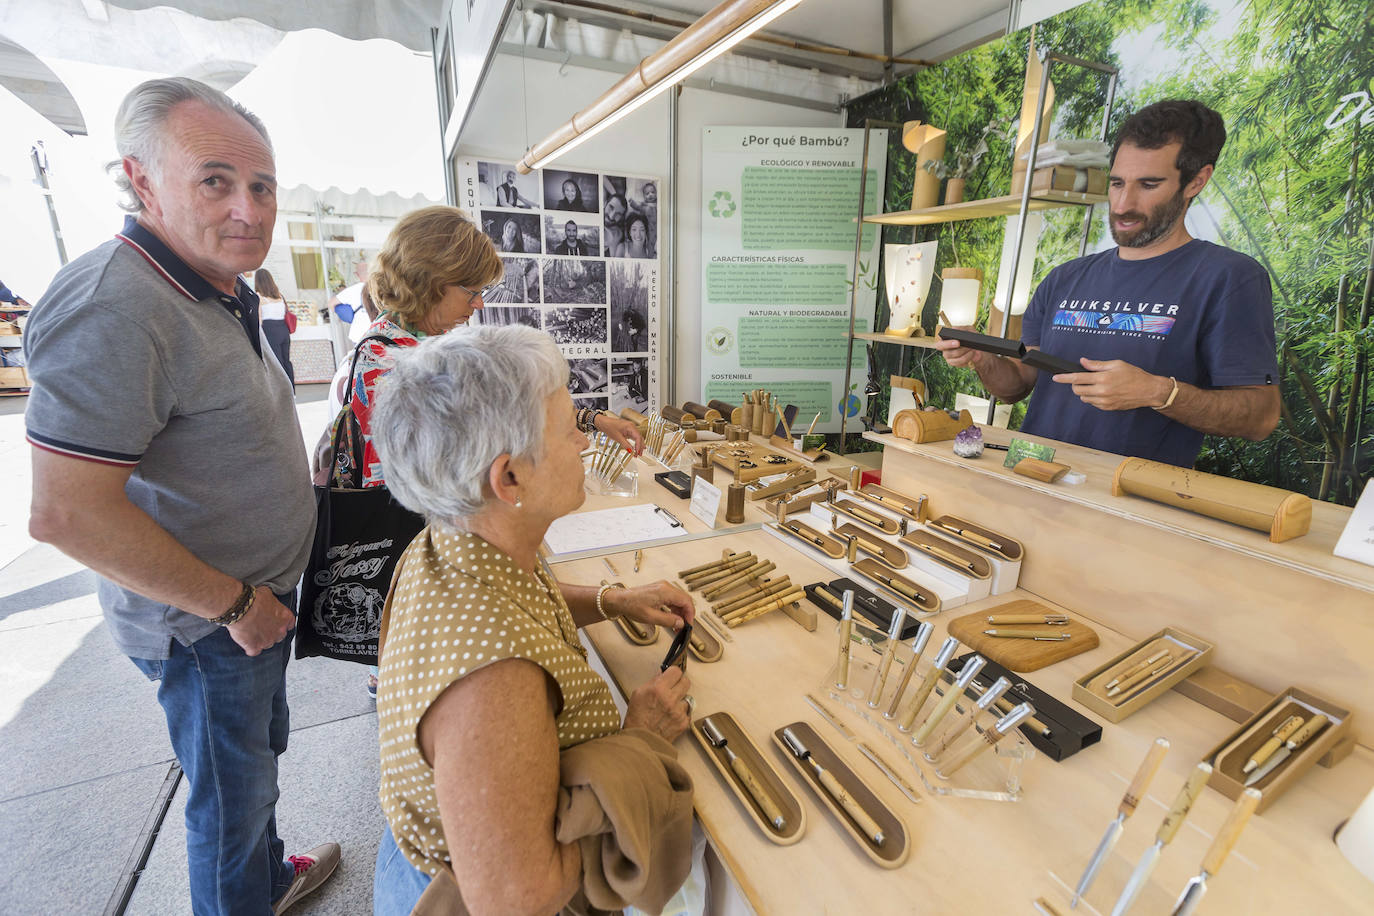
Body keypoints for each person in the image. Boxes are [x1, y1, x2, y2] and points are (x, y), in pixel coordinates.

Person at [23, 77, 338, 915]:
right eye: (216, 181)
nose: (249, 209)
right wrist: (238, 606)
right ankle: (246, 891)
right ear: (143, 179)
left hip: (251, 604)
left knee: (254, 770)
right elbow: (66, 513)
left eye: (262, 186)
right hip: (208, 626)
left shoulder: (217, 280)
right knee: (229, 805)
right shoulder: (114, 307)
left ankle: (267, 882)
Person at [369, 325, 695, 914]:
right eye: (570, 429)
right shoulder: (493, 683)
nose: (584, 441)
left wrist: (610, 601)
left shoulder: (459, 538)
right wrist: (642, 739)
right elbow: (521, 897)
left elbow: (517, 603)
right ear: (509, 478)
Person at [314, 205, 643, 695]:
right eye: (471, 291)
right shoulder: (391, 364)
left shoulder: (425, 341)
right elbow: (478, 448)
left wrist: (593, 419)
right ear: (429, 280)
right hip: (418, 564)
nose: (479, 305)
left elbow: (503, 404)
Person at [936, 99, 1280, 467]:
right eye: (1117, 183)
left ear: (1196, 181)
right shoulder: (1064, 278)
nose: (1122, 204)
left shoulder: (1229, 278)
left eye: (1148, 184)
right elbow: (1016, 387)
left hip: (1126, 503)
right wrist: (984, 359)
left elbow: (1261, 417)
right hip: (1030, 479)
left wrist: (1157, 392)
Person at [255, 268, 294, 385]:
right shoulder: (280, 296)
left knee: (276, 361)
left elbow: (259, 320)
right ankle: (292, 390)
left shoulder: (259, 297)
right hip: (283, 329)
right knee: (286, 361)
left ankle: (282, 389)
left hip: (270, 329)